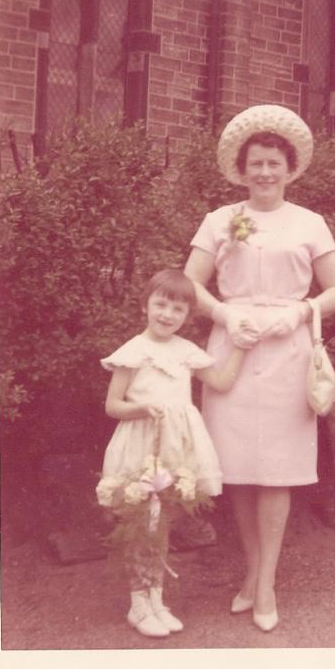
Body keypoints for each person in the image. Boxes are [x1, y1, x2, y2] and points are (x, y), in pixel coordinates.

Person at [184, 104, 335, 632]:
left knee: (276, 470)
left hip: (287, 351)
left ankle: (266, 585)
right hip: (231, 349)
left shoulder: (309, 223)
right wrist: (225, 313)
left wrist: (300, 312)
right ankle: (252, 574)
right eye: (255, 163)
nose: (264, 173)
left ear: (288, 167)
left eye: (273, 163)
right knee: (239, 469)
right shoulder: (219, 220)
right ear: (242, 166)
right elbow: (187, 284)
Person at [96, 268, 246, 639]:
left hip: (176, 446)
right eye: (160, 305)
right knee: (138, 523)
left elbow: (223, 383)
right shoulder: (134, 352)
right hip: (142, 443)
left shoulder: (186, 352)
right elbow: (113, 405)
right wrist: (141, 408)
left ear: (187, 315)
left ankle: (157, 599)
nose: (167, 314)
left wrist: (242, 346)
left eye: (177, 309)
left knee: (163, 522)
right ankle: (138, 604)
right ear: (145, 305)